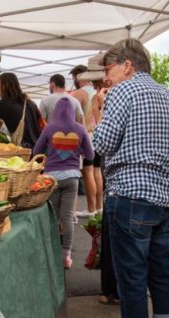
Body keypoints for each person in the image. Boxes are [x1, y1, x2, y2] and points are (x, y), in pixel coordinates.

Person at [93, 38, 169, 318]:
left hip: (130, 193)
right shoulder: (168, 95)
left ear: (127, 65)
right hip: (166, 196)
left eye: (108, 69)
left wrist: (98, 111)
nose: (106, 77)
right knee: (160, 270)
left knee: (131, 274)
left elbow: (102, 143)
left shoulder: (122, 93)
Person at [33, 99, 94, 270]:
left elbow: (36, 151)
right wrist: (78, 150)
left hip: (51, 179)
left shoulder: (49, 128)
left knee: (53, 216)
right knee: (66, 217)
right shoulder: (80, 129)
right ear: (72, 112)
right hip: (72, 178)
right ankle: (66, 256)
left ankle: (52, 254)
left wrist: (50, 150)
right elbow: (90, 155)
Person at [70, 58, 103, 217]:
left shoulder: (79, 94)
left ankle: (90, 208)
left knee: (87, 172)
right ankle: (99, 206)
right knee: (97, 171)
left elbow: (71, 116)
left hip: (85, 137)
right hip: (98, 135)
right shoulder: (98, 92)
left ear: (78, 77)